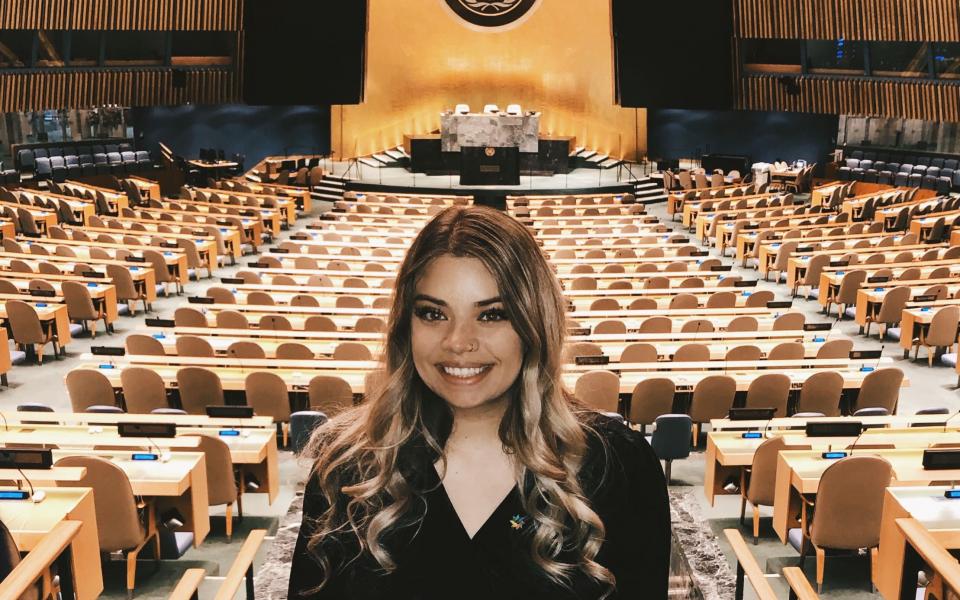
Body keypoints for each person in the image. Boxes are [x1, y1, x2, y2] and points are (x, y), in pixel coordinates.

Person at [288, 205, 670, 599]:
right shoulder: (348, 469)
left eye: (491, 315)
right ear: (406, 325)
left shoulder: (618, 466)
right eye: (433, 313)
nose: (458, 342)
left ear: (533, 324)